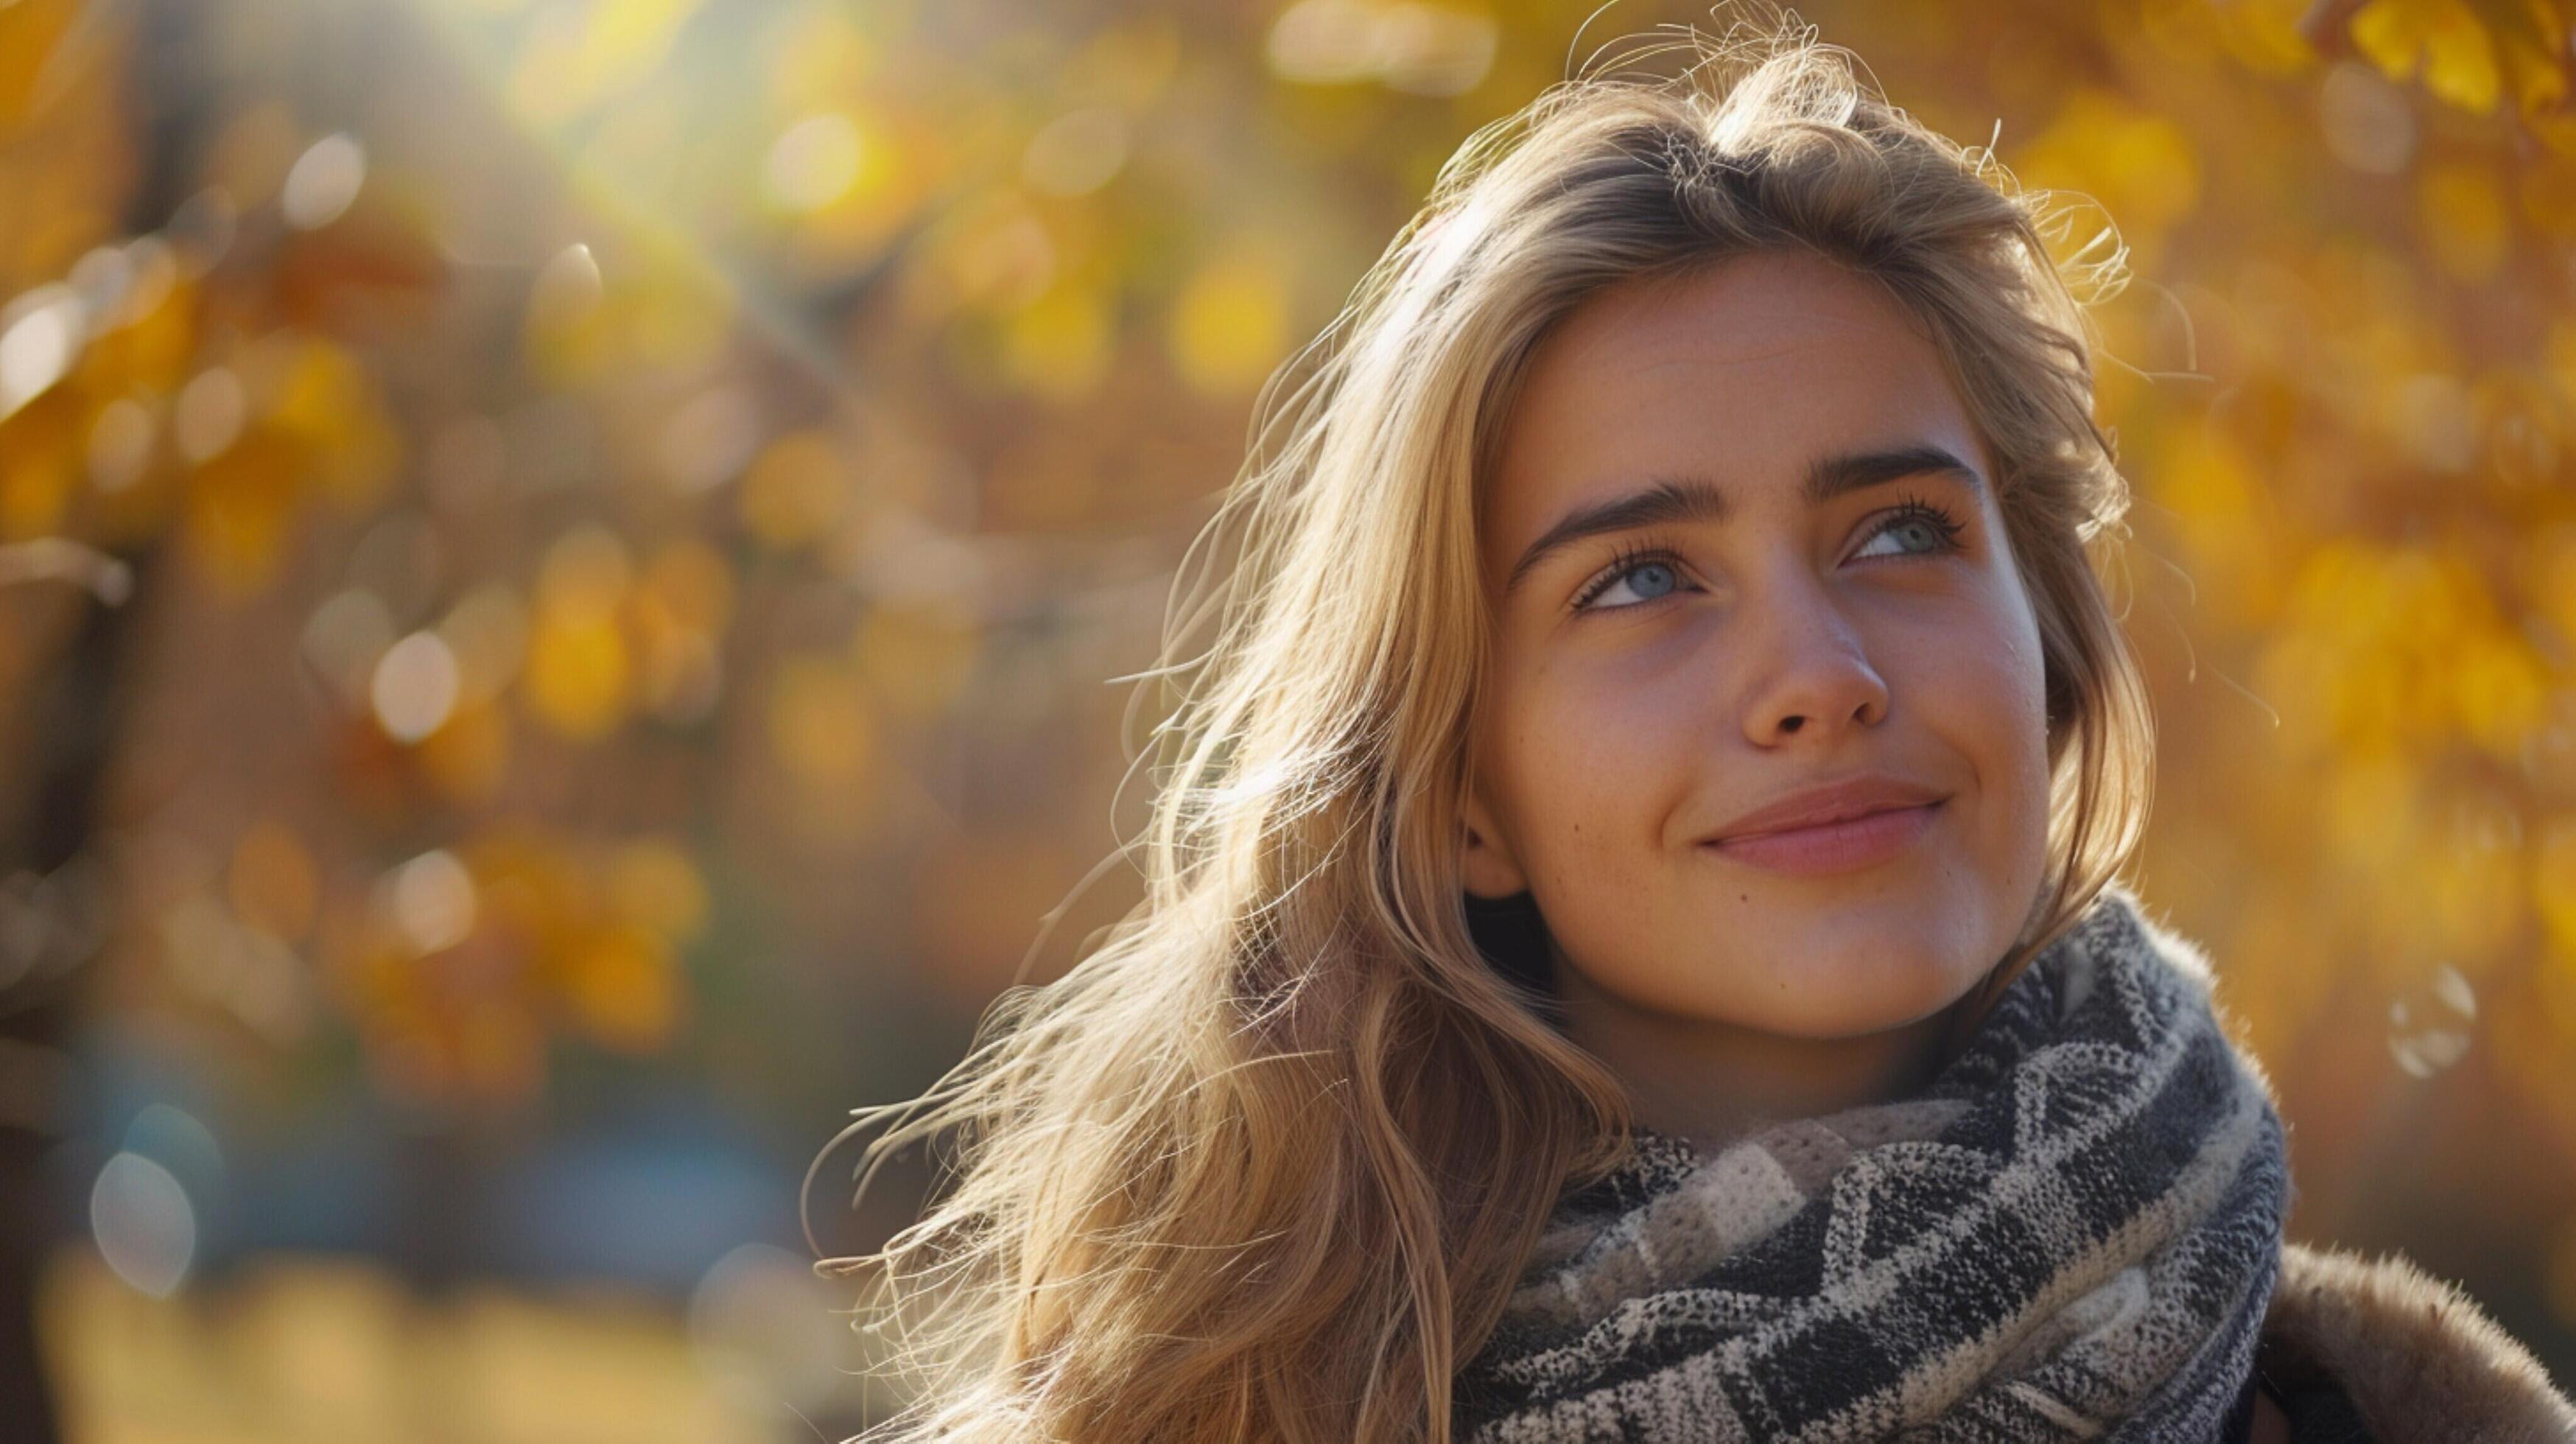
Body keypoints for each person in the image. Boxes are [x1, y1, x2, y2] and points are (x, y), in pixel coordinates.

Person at [815, 6, 2576, 1440]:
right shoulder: (1191, 1411)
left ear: (2044, 653)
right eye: (1641, 577)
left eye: (1900, 532)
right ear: (1460, 793)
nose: (1819, 670)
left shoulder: (2381, 1413)